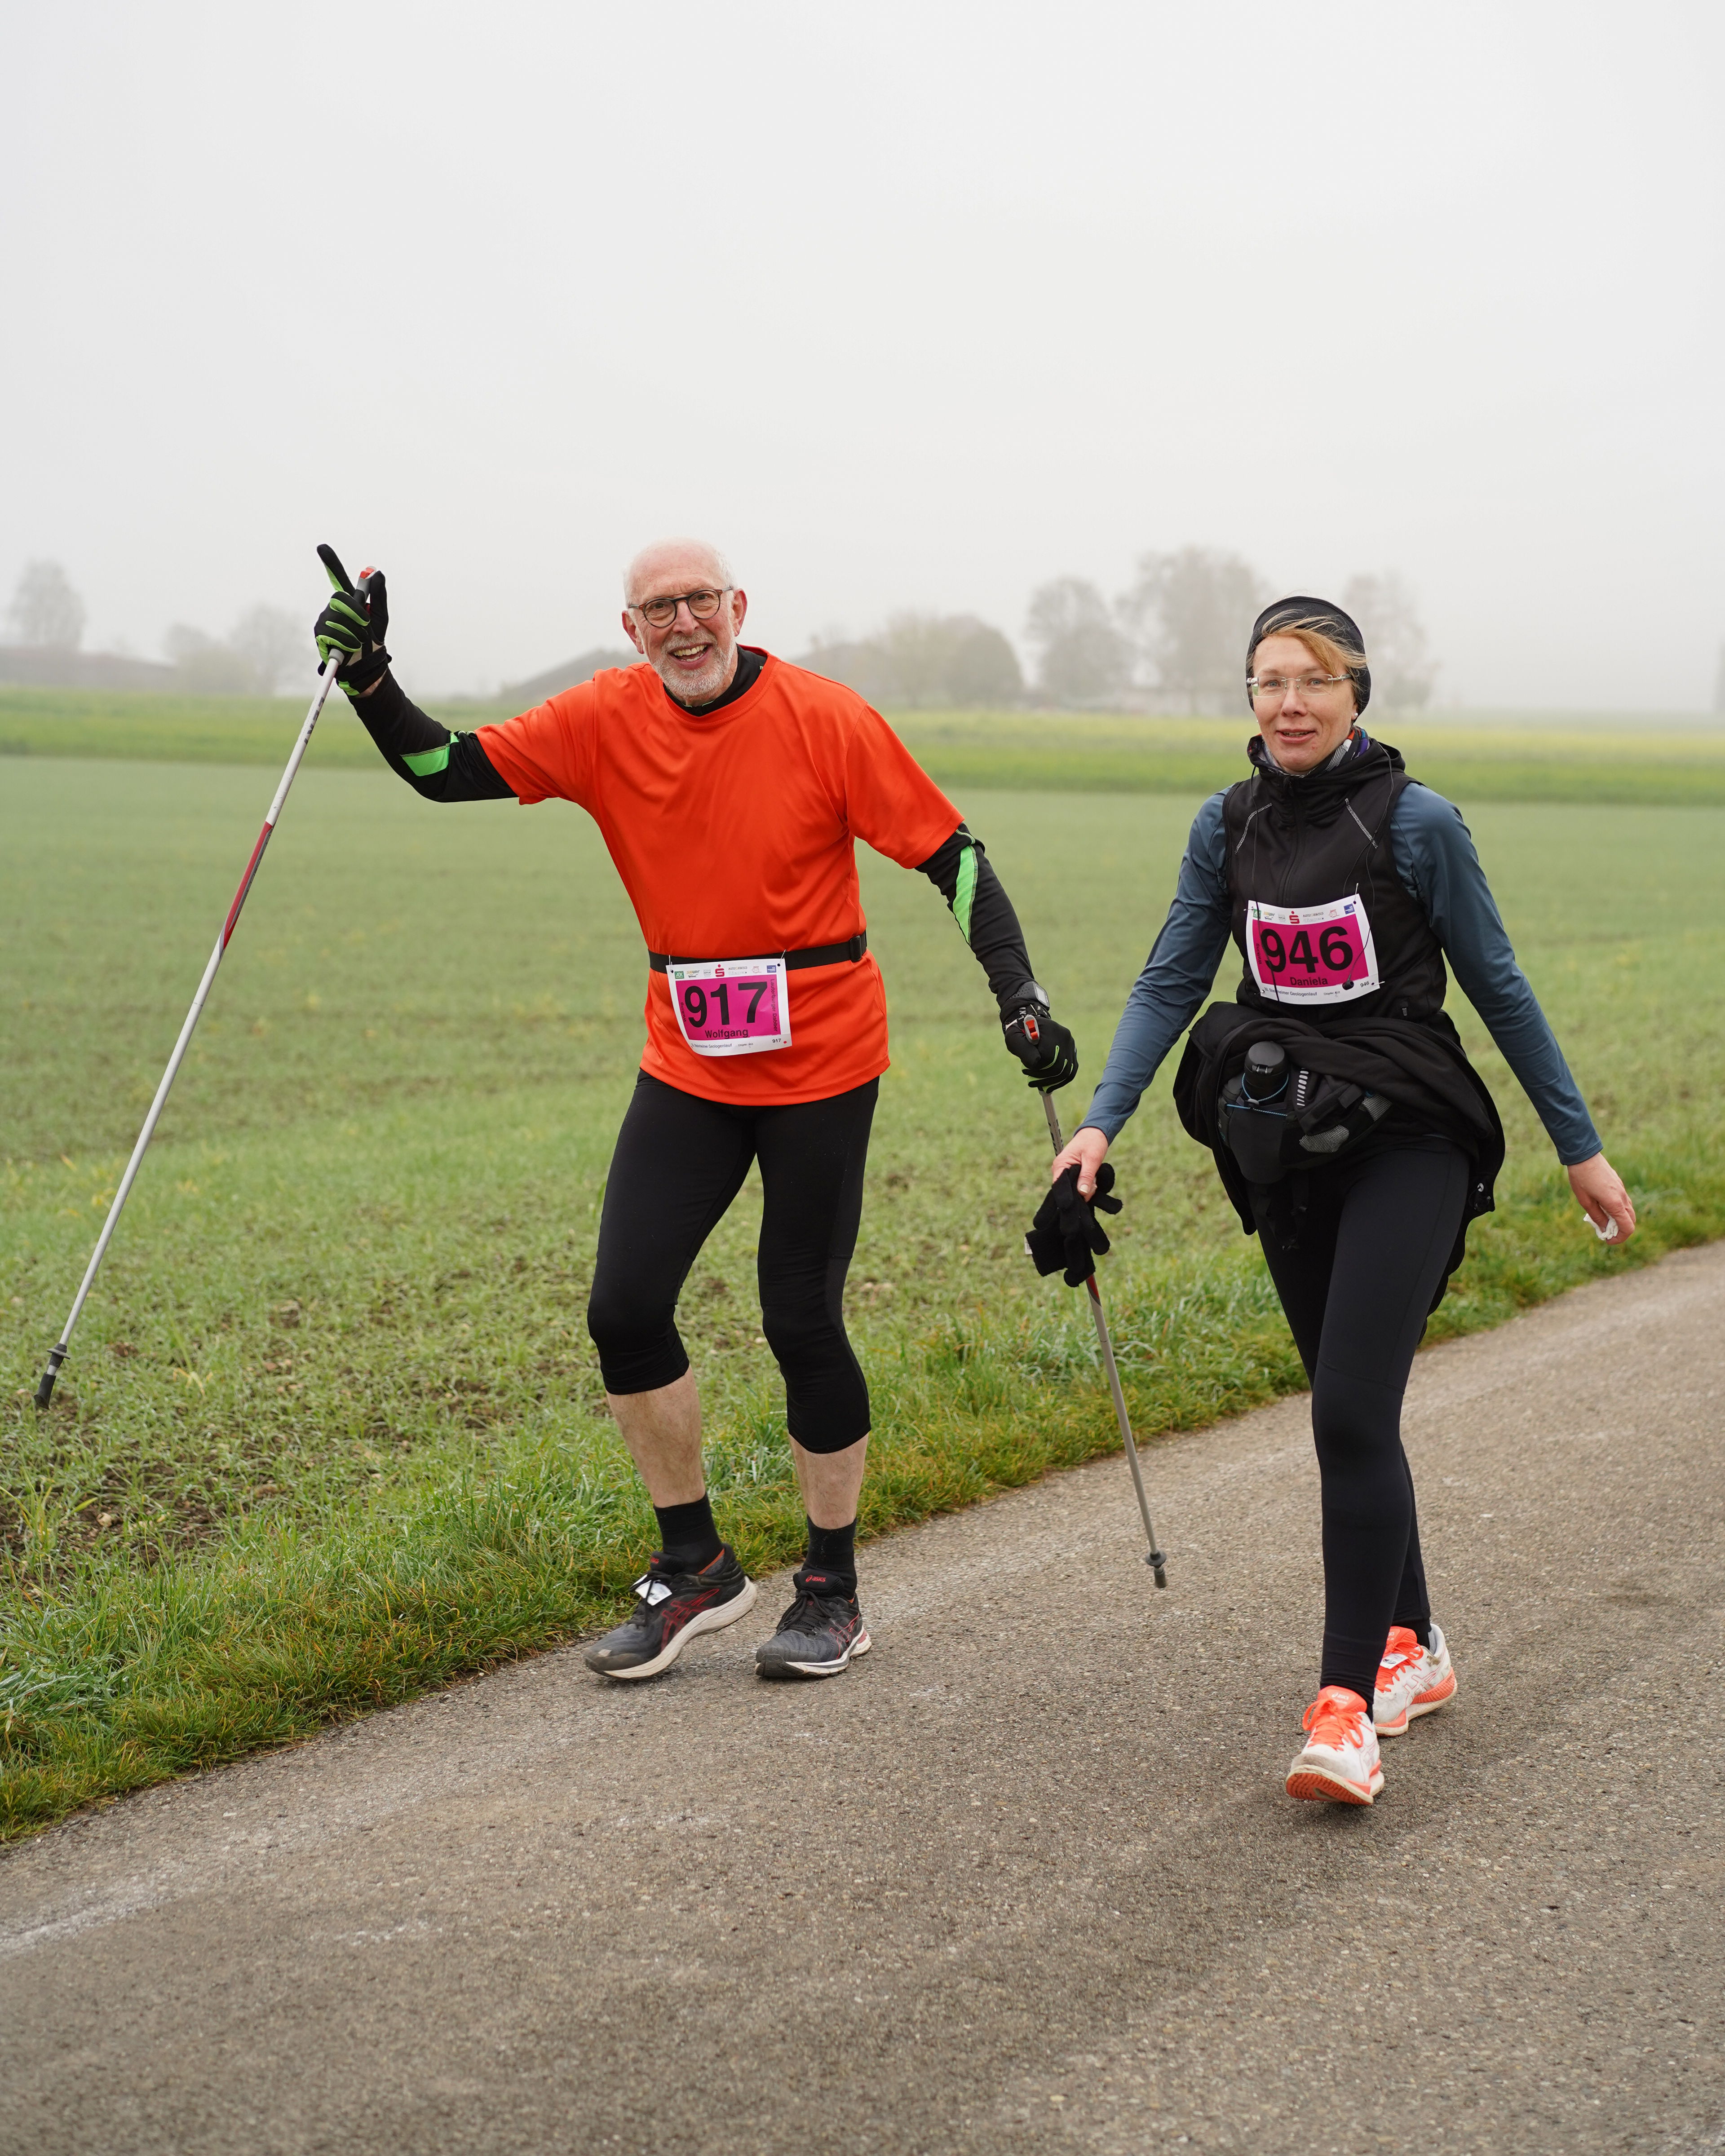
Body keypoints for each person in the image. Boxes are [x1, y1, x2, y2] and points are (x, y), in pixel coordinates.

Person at [313, 538, 1077, 1682]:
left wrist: (1018, 992)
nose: (684, 625)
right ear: (631, 630)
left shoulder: (827, 718)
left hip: (822, 1065)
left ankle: (832, 1589)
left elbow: (952, 857)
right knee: (623, 1310)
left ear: (738, 607)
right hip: (690, 1064)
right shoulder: (601, 718)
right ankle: (698, 1568)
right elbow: (442, 768)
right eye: (659, 609)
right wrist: (371, 679)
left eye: (700, 602)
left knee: (799, 1318)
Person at [1050, 596, 1635, 1805]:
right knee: (1348, 1407)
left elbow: (1500, 986)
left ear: (1356, 694)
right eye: (1270, 682)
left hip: (1412, 1134)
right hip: (1288, 1143)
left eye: (1314, 681)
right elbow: (1171, 980)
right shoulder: (1228, 826)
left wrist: (1579, 1147)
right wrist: (1101, 1122)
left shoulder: (1417, 823)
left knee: (1352, 1412)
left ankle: (1346, 1708)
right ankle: (1414, 1643)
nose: (1291, 704)